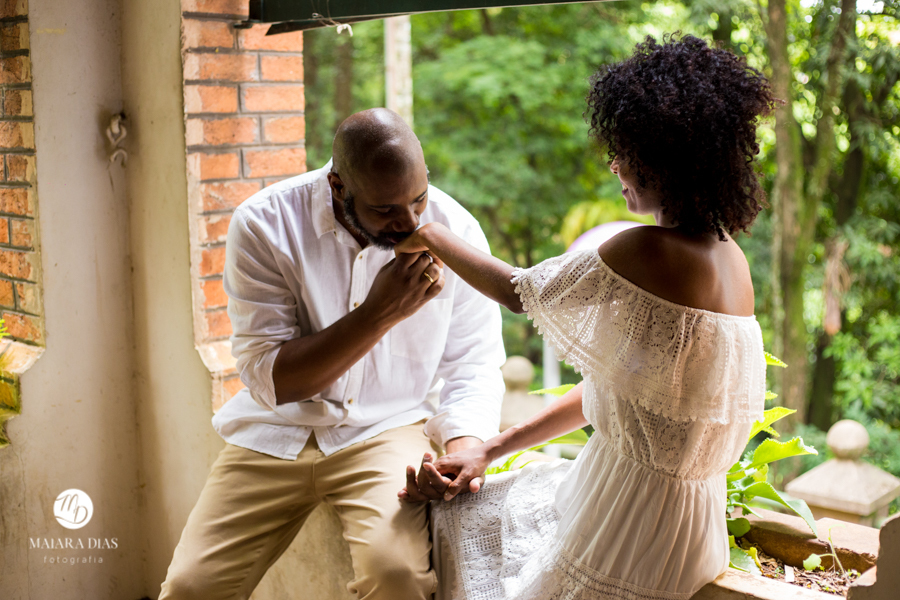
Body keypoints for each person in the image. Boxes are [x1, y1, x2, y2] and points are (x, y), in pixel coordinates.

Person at [397, 35, 776, 600]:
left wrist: (426, 230)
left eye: (629, 151)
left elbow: (517, 291)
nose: (615, 163)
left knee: (454, 530)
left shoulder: (647, 251)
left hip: (626, 535)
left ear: (667, 161)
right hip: (684, 532)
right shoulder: (731, 259)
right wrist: (492, 447)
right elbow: (628, 392)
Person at [158, 108, 506, 600]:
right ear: (339, 186)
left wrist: (465, 448)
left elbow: (473, 363)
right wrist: (379, 313)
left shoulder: (458, 230)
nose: (410, 222)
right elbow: (271, 379)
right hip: (275, 432)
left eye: (419, 198)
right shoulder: (265, 224)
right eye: (386, 210)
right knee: (190, 587)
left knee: (397, 577)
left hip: (386, 429)